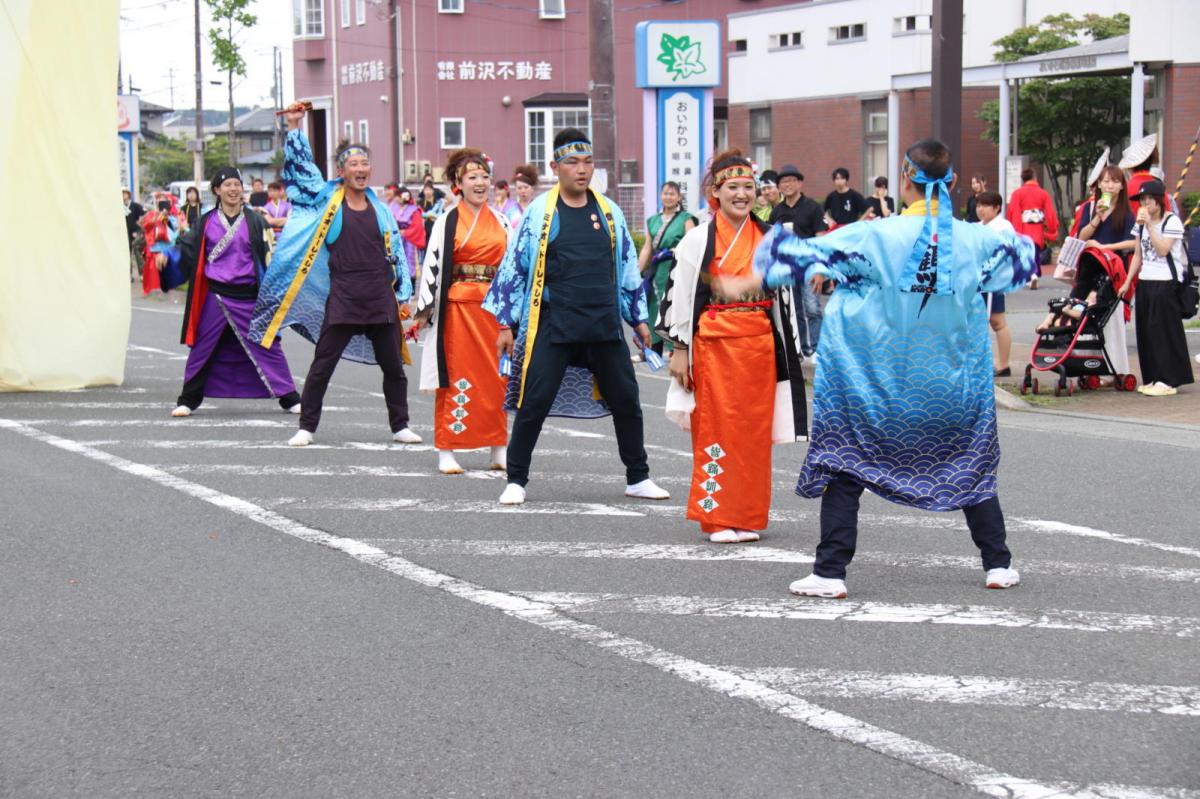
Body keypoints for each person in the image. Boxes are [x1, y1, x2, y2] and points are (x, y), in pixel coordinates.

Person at [723, 138, 1035, 598]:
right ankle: (998, 563)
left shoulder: (874, 236)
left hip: (875, 381)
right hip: (949, 384)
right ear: (950, 182)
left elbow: (791, 256)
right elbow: (1021, 259)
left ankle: (831, 571)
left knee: (848, 466)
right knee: (970, 465)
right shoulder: (976, 238)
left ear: (905, 179)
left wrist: (751, 272)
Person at [483, 128, 670, 506]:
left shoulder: (609, 211)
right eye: (572, 162)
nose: (581, 170)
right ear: (555, 167)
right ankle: (516, 479)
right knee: (534, 401)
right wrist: (505, 324)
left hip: (603, 322)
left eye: (587, 162)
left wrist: (639, 320)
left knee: (627, 400)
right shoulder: (539, 213)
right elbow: (514, 270)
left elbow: (627, 269)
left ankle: (638, 476)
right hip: (554, 322)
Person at [658, 150, 806, 544]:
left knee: (754, 435)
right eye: (732, 187)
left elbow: (786, 300)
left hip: (757, 345)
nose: (742, 194)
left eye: (748, 187)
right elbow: (680, 293)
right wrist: (680, 349)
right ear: (715, 193)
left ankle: (747, 515)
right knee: (716, 429)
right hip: (714, 344)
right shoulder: (697, 239)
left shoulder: (773, 238)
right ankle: (717, 516)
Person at [251, 104, 420, 446]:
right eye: (353, 165)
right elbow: (303, 173)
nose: (360, 169)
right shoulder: (327, 200)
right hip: (343, 295)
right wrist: (296, 127)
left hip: (379, 296)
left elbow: (396, 255)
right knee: (323, 364)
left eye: (364, 164)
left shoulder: (381, 209)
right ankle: (307, 426)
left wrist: (403, 295)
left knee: (393, 368)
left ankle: (400, 425)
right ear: (341, 171)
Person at [170, 166, 301, 418]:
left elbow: (271, 258)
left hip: (250, 296)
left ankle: (289, 397)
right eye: (227, 185)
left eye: (237, 185)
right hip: (216, 296)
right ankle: (188, 399)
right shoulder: (205, 222)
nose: (233, 189)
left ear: (243, 189)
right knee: (202, 347)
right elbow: (186, 249)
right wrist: (165, 258)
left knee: (267, 345)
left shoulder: (256, 221)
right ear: (217, 190)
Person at [413, 148, 512, 474]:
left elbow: (512, 266)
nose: (481, 182)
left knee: (498, 378)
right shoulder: (448, 220)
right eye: (473, 177)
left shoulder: (501, 220)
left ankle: (499, 446)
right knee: (455, 377)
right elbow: (433, 264)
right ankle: (447, 448)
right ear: (458, 182)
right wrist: (424, 308)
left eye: (484, 176)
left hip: (494, 309)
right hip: (458, 310)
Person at [1117, 179, 1193, 397]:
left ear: (1159, 201)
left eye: (1149, 199)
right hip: (1146, 280)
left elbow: (1162, 250)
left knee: (1163, 330)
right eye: (1142, 200)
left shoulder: (1172, 222)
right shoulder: (1139, 224)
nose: (1145, 204)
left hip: (1166, 281)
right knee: (1147, 331)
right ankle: (1152, 377)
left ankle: (1169, 380)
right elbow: (1138, 255)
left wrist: (1150, 225)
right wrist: (1127, 281)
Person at [768, 164, 826, 359]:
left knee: (813, 308)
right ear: (779, 187)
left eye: (792, 180)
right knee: (794, 309)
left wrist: (820, 270)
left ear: (800, 183)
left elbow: (821, 240)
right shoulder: (776, 212)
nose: (788, 184)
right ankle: (801, 348)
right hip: (786, 268)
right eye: (784, 182)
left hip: (809, 265)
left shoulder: (812, 207)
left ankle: (817, 349)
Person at [637, 181, 696, 356]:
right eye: (665, 193)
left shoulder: (686, 218)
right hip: (657, 270)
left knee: (674, 305)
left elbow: (691, 244)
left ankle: (675, 348)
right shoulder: (653, 220)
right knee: (654, 306)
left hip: (676, 267)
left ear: (679, 197)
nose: (668, 197)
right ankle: (652, 348)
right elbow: (647, 247)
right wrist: (637, 274)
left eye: (672, 194)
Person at [974, 192, 1016, 376]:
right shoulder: (977, 226)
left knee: (997, 321)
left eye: (985, 205)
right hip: (979, 281)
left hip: (993, 281)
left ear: (997, 207)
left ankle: (1003, 364)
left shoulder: (1003, 227)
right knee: (986, 320)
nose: (980, 209)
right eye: (978, 205)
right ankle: (990, 364)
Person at [1006, 167, 1059, 290]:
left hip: (1023, 227)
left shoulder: (1017, 193)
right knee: (1035, 252)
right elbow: (1050, 213)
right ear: (1035, 177)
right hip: (1037, 228)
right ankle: (1034, 274)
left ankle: (1032, 274)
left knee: (1025, 253)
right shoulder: (1043, 193)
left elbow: (1013, 211)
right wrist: (1052, 228)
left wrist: (1014, 229)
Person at [384, 183, 425, 277]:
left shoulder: (414, 210)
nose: (396, 199)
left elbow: (417, 226)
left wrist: (405, 232)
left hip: (409, 239)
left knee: (409, 260)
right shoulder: (392, 207)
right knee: (396, 260)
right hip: (396, 237)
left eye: (397, 196)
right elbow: (388, 221)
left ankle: (411, 281)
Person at [502, 164, 539, 229]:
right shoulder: (510, 211)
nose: (523, 191)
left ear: (532, 188)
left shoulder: (540, 208)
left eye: (526, 187)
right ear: (515, 189)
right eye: (519, 188)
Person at [122, 188, 146, 282]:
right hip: (124, 233)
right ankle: (128, 275)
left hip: (136, 232)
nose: (123, 195)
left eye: (124, 193)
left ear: (128, 194)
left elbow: (145, 213)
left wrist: (141, 222)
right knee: (126, 254)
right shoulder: (119, 206)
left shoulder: (135, 205)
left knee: (138, 253)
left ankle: (142, 274)